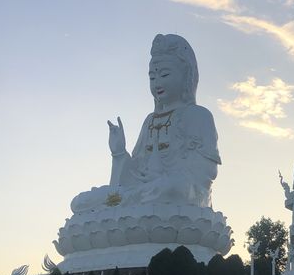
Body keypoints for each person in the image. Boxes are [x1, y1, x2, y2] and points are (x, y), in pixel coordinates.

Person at [70, 34, 221, 213]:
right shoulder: (150, 120)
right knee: (80, 202)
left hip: (178, 194)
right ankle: (124, 207)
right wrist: (119, 152)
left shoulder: (198, 115)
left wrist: (163, 180)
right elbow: (132, 174)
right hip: (142, 192)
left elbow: (203, 174)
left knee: (170, 190)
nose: (157, 83)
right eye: (152, 77)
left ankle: (124, 208)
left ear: (186, 76)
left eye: (164, 74)